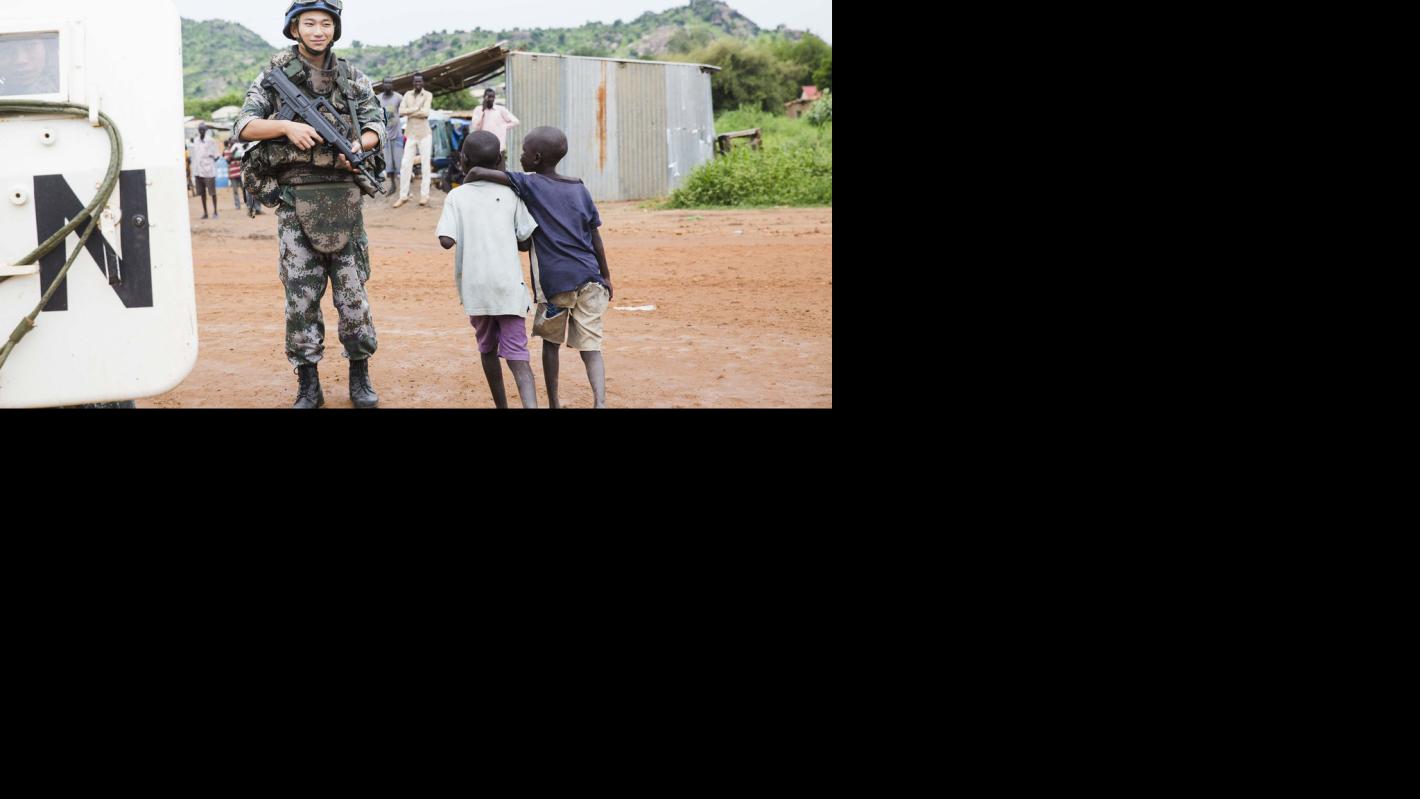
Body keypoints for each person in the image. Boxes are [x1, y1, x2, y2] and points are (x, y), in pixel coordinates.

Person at [234, 0, 386, 409]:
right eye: (309, 23)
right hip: (295, 199)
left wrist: (359, 145)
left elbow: (376, 122)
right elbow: (243, 126)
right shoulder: (273, 77)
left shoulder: (352, 77)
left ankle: (360, 376)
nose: (318, 31)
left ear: (335, 29)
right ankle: (308, 383)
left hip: (344, 198)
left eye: (326, 24)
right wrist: (285, 126)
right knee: (300, 299)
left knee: (353, 296)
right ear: (294, 28)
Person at [465, 126, 614, 409]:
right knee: (591, 345)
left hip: (556, 283)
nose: (519, 156)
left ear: (535, 158)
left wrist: (472, 172)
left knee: (550, 343)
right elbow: (594, 234)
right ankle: (600, 402)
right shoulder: (579, 187)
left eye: (523, 152)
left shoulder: (530, 184)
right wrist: (606, 275)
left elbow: (479, 173)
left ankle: (554, 402)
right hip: (592, 278)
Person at [436, 131, 539, 408]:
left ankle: (501, 405)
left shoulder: (456, 197)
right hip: (508, 290)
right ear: (499, 161)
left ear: (464, 161)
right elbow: (525, 241)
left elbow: (446, 240)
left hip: (476, 290)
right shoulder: (511, 194)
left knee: (487, 349)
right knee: (519, 357)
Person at [393, 72, 433, 208]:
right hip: (410, 134)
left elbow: (426, 113)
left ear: (423, 83)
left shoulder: (428, 95)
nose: (418, 84)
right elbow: (400, 111)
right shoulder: (407, 95)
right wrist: (416, 109)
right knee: (405, 165)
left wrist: (409, 111)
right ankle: (403, 196)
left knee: (425, 165)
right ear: (413, 83)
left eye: (420, 81)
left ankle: (424, 195)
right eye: (416, 82)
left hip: (424, 134)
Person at [469, 88, 519, 159]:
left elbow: (515, 121)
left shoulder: (500, 109)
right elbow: (475, 128)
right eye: (488, 97)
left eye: (492, 97)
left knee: (499, 166)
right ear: (484, 97)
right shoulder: (478, 109)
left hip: (499, 148)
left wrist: (502, 127)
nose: (490, 99)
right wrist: (483, 110)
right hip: (483, 147)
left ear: (494, 98)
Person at [188, 123, 220, 219]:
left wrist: (210, 160)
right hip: (198, 171)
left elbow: (217, 155)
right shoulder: (196, 140)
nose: (201, 131)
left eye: (203, 129)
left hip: (209, 171)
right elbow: (194, 155)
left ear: (206, 130)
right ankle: (205, 213)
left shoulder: (211, 141)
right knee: (202, 194)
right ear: (198, 130)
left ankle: (215, 212)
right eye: (200, 129)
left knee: (212, 193)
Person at [377, 78, 404, 193]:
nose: (388, 85)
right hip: (385, 136)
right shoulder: (378, 98)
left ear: (393, 85)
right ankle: (393, 185)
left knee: (399, 161)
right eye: (386, 83)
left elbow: (405, 110)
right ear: (382, 85)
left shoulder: (398, 97)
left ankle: (404, 187)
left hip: (397, 135)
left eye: (390, 83)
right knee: (388, 163)